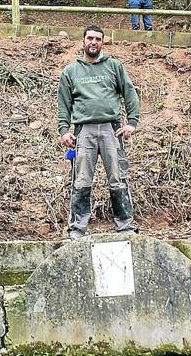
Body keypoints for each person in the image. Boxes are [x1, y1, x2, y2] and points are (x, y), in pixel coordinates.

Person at [57, 26, 140, 239]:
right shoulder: (71, 71)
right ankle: (77, 228)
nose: (93, 42)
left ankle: (126, 226)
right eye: (90, 38)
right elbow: (63, 104)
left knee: (118, 177)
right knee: (82, 179)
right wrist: (64, 130)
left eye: (98, 39)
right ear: (83, 41)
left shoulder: (114, 66)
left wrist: (132, 122)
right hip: (83, 130)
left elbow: (129, 93)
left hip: (112, 130)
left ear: (103, 42)